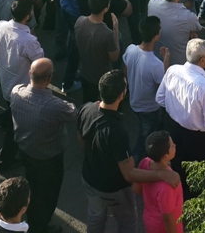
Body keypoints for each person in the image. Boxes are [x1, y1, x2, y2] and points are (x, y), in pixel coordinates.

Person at [77, 70, 180, 233]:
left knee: (95, 217)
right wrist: (163, 174)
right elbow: (129, 173)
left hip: (89, 178)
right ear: (122, 95)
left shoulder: (86, 109)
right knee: (128, 222)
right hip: (113, 189)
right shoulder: (117, 131)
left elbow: (82, 139)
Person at [10, 58, 76, 233]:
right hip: (49, 159)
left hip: (25, 152)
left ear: (30, 74)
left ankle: (32, 217)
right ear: (49, 78)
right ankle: (40, 226)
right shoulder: (56, 106)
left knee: (33, 186)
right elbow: (73, 113)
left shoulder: (16, 92)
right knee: (48, 194)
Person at [156, 38, 205, 197]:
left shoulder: (172, 71)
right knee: (197, 175)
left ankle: (178, 197)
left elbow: (160, 99)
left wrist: (176, 108)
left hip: (173, 130)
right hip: (197, 139)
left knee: (178, 166)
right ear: (203, 60)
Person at [0, 0, 43, 172]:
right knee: (14, 128)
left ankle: (2, 118)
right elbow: (40, 64)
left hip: (4, 78)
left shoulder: (0, 26)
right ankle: (4, 161)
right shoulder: (28, 40)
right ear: (28, 15)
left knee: (9, 105)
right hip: (20, 87)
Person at [123, 17, 168, 160]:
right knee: (144, 138)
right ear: (156, 36)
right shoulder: (156, 64)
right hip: (149, 108)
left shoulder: (130, 50)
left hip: (134, 101)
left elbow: (125, 70)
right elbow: (163, 89)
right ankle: (137, 163)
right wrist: (166, 62)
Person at [75, 0, 120, 102]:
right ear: (106, 8)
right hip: (102, 77)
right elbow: (114, 57)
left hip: (85, 73)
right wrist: (116, 31)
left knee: (87, 101)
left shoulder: (79, 21)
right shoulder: (107, 34)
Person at [135, 131, 185, 233]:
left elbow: (136, 189)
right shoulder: (168, 185)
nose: (174, 145)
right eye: (171, 146)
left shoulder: (145, 162)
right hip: (164, 227)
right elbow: (167, 218)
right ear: (165, 156)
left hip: (149, 220)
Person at [148, 0, 202, 67]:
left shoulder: (152, 3)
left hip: (156, 58)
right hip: (178, 64)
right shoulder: (188, 17)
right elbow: (198, 27)